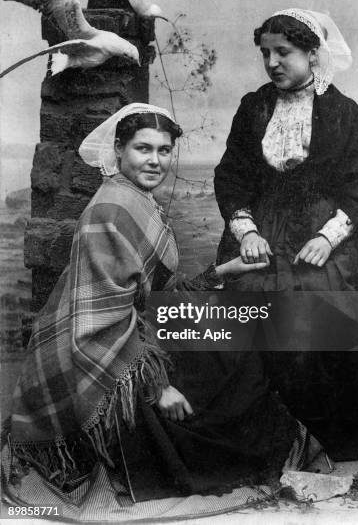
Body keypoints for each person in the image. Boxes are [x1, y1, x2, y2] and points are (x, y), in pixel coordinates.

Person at [4, 102, 323, 508]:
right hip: (95, 352)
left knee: (238, 342)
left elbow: (156, 296)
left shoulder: (136, 198)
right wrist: (160, 387)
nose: (155, 161)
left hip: (133, 332)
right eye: (143, 149)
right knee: (229, 367)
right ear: (118, 150)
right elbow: (101, 322)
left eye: (164, 150)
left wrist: (223, 271)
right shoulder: (109, 211)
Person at [214, 9, 358, 457]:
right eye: (265, 53)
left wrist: (329, 237)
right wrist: (246, 230)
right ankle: (270, 439)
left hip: (324, 236)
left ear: (313, 55)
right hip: (264, 229)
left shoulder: (343, 112)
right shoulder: (253, 107)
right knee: (249, 295)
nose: (272, 62)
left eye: (284, 52)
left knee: (320, 306)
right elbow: (232, 175)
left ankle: (333, 439)